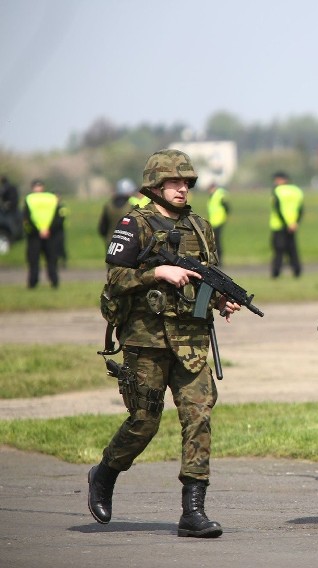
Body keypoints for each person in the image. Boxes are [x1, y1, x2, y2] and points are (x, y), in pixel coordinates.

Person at [87, 149, 241, 539]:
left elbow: (205, 277)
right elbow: (116, 280)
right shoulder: (133, 223)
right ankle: (104, 474)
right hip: (146, 340)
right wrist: (158, 271)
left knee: (199, 416)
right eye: (174, 182)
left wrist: (221, 300)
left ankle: (193, 511)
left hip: (190, 342)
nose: (182, 188)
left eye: (186, 182)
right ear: (155, 186)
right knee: (143, 423)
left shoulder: (201, 227)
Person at [22, 179, 62, 288]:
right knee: (48, 260)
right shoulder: (51, 198)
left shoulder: (29, 199)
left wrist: (39, 231)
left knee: (38, 260)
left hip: (37, 235)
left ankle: (38, 283)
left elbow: (26, 218)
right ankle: (51, 282)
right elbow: (57, 218)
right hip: (46, 234)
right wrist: (47, 230)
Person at [269, 171, 303, 278]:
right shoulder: (297, 191)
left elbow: (278, 209)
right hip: (293, 225)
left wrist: (286, 223)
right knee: (292, 249)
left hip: (279, 225)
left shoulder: (277, 191)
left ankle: (276, 272)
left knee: (278, 250)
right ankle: (297, 270)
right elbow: (301, 209)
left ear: (280, 180)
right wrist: (294, 223)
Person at [98, 178, 139, 247]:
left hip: (111, 242)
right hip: (128, 243)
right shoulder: (131, 206)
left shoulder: (108, 206)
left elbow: (102, 228)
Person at [206, 181, 230, 263]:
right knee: (214, 241)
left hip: (219, 221)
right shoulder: (212, 196)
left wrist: (225, 217)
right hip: (213, 222)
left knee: (217, 242)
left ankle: (219, 260)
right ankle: (215, 259)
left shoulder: (219, 195)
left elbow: (227, 207)